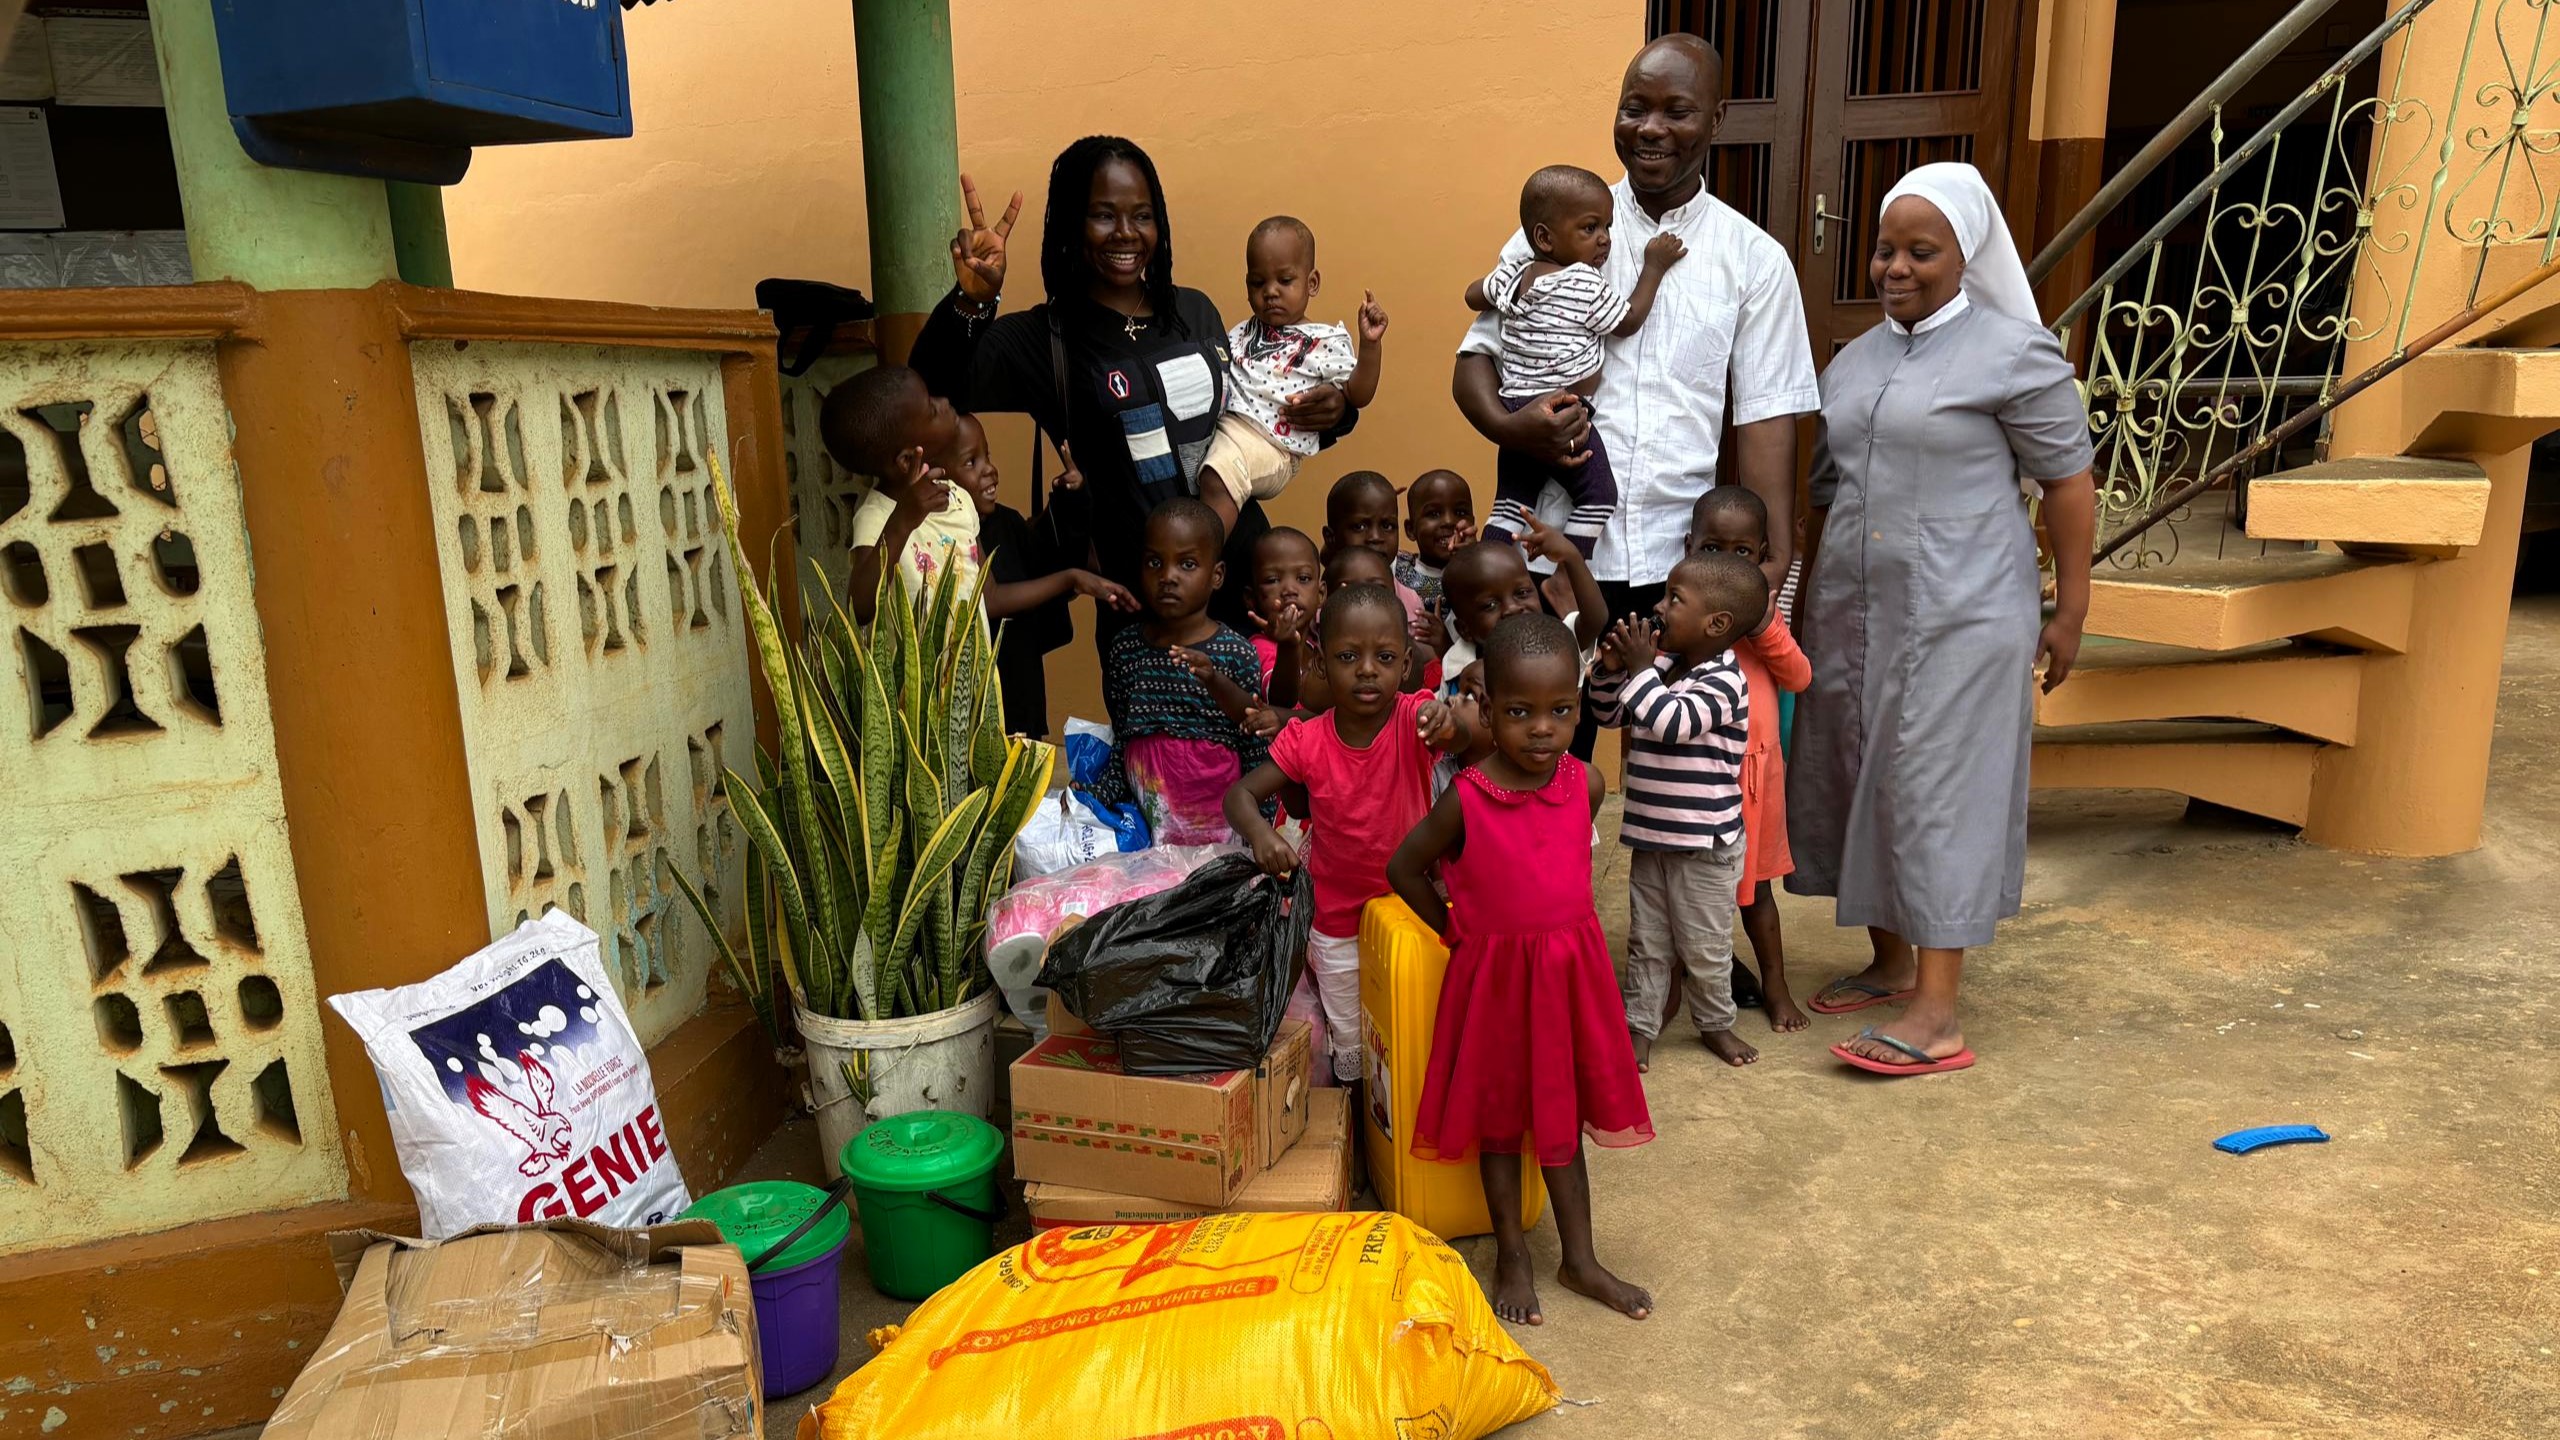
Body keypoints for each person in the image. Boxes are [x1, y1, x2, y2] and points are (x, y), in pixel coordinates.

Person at [1787, 162, 2097, 1077]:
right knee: (1857, 771)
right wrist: (1804, 597)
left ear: (1966, 256)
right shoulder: (1854, 359)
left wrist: (2072, 607)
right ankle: (1889, 962)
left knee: (1937, 789)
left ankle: (1936, 1014)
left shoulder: (2014, 353)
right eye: (1886, 249)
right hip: (1854, 609)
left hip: (1967, 608)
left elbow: (2068, 484)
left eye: (1922, 252)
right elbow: (1827, 489)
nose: (1897, 268)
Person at [1453, 35, 1818, 756]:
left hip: (1680, 570)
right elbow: (1474, 361)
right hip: (1550, 560)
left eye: (1676, 111)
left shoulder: (1754, 259)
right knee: (1542, 765)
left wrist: (1768, 559)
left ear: (1717, 119)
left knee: (1679, 775)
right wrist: (1511, 428)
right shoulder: (1554, 232)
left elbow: (1767, 417)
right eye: (1633, 108)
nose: (1651, 129)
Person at [913, 138, 1356, 639]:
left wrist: (1338, 409)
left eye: (1141, 216)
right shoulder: (1045, 338)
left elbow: (1264, 406)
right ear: (1072, 223)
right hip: (1143, 612)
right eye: (1104, 215)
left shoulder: (1194, 311)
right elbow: (931, 392)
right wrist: (972, 302)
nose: (1126, 232)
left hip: (1246, 591)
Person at [1388, 612, 1654, 1326]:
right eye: (1519, 712)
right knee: (1502, 1125)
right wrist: (1455, 927)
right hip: (1497, 988)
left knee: (1563, 1119)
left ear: (1578, 704)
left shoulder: (1586, 783)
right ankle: (1512, 1252)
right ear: (1486, 708)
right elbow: (1404, 867)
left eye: (1561, 710)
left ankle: (1580, 1259)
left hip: (1567, 982)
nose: (1542, 729)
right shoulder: (1467, 797)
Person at [1226, 584, 1468, 1087]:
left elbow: (1462, 736)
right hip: (1336, 921)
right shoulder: (1306, 739)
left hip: (1412, 908)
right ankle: (1357, 1122)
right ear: (1320, 664)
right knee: (1355, 1042)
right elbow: (1240, 796)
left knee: (1417, 1026)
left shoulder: (1415, 718)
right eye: (1347, 656)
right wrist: (1262, 836)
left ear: (1405, 665)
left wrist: (1449, 723)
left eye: (1384, 657)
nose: (1366, 670)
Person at [1590, 550, 1766, 1069]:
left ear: (1716, 624)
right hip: (1652, 840)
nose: (1659, 608)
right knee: (1647, 943)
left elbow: (1671, 723)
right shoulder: (1662, 668)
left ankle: (1716, 1023)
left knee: (1705, 948)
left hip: (1704, 847)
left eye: (1674, 599)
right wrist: (1611, 670)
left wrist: (1639, 670)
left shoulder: (1725, 681)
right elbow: (1608, 714)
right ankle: (1640, 1026)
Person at [1465, 164, 1685, 557]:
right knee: (1599, 496)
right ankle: (1568, 572)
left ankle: (1489, 568)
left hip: (1515, 409)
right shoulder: (1583, 281)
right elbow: (1628, 320)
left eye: (1608, 227)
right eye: (1589, 228)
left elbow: (1471, 295)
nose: (1604, 239)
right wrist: (1654, 266)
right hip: (1562, 411)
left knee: (1511, 503)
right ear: (1544, 238)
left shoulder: (1513, 277)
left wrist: (1499, 290)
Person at [1687, 486, 1811, 1031]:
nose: (1726, 564)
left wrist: (1762, 625)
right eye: (1711, 549)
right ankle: (1697, 985)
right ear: (1689, 548)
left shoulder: (1763, 619)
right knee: (1690, 892)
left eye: (1742, 552)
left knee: (1756, 892)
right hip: (1697, 782)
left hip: (1754, 782)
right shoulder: (1683, 612)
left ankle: (1776, 985)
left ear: (1762, 556)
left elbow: (1799, 676)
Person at [945, 413, 1140, 734]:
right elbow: (989, 600)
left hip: (1022, 693)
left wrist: (1070, 498)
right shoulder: (945, 536)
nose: (989, 469)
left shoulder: (1007, 522)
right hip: (974, 706)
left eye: (987, 456)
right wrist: (1072, 578)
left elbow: (1046, 562)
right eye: (971, 462)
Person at [1092, 500, 1272, 847]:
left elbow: (1255, 749)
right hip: (1148, 831)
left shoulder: (1236, 654)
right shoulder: (1126, 649)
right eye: (1154, 562)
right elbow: (1123, 739)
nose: (1168, 576)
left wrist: (1260, 831)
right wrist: (1099, 794)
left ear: (1216, 575)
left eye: (1187, 564)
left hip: (1219, 834)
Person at [1200, 216, 1389, 537]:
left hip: (1271, 446)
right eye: (1257, 283)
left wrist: (1370, 345)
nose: (1270, 292)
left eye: (1285, 281)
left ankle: (1202, 554)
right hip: (1227, 428)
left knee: (1218, 478)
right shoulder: (1244, 331)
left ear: (1311, 283)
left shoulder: (1323, 341)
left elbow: (1358, 394)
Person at [1436, 521, 1605, 696]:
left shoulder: (1556, 644)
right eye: (1490, 605)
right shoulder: (1455, 666)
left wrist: (1571, 556)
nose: (1512, 608)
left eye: (1522, 593)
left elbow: (1594, 620)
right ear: (1464, 630)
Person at [1321, 470, 1429, 633]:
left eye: (1387, 526)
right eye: (1359, 526)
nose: (1376, 537)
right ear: (1331, 537)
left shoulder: (1411, 600)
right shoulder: (1319, 600)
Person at [1244, 526, 1324, 712]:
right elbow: (1281, 700)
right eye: (1273, 580)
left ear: (1321, 594)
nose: (1289, 590)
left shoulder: (1316, 643)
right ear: (1251, 599)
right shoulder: (1260, 647)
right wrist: (1288, 646)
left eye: (1303, 578)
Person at [1396, 467, 1477, 627]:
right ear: (1411, 529)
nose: (1449, 521)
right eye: (1434, 514)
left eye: (1460, 513)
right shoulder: (1398, 567)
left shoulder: (1482, 570)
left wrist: (1473, 558)